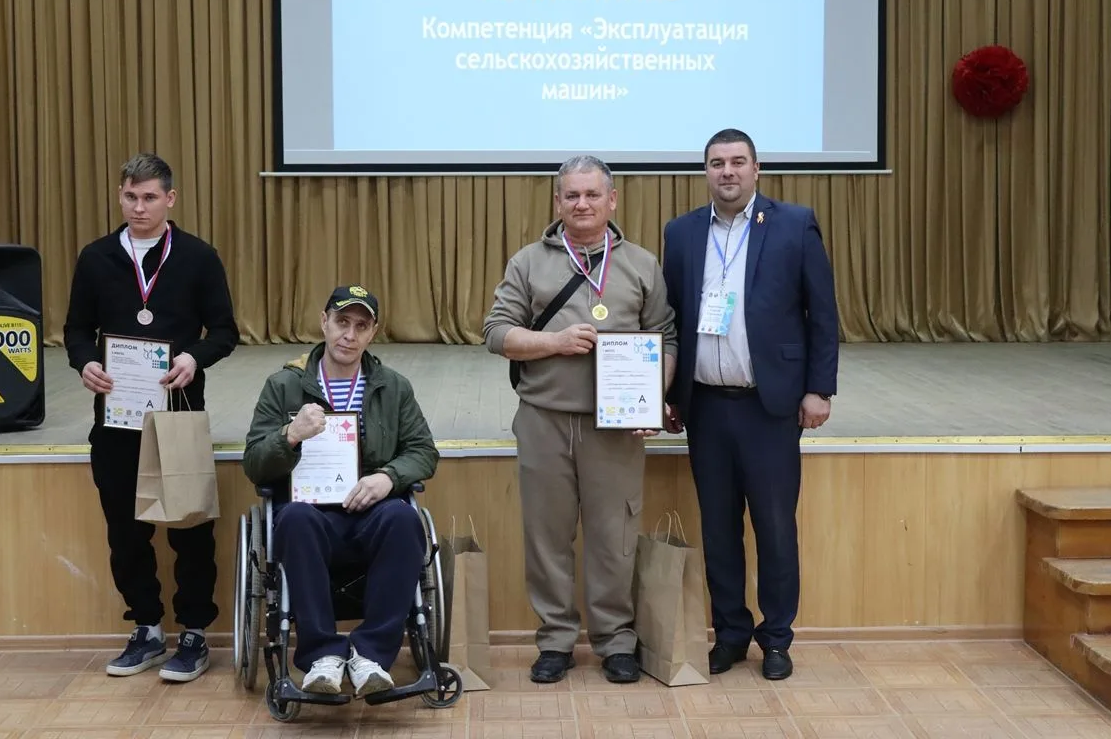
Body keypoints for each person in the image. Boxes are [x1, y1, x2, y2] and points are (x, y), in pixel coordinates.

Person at [483, 155, 677, 684]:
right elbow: (497, 333)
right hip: (544, 419)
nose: (582, 203)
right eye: (572, 195)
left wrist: (652, 397)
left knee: (614, 536)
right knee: (547, 537)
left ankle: (616, 640)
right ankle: (555, 640)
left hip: (615, 427)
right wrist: (555, 342)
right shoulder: (528, 262)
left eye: (593, 194)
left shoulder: (641, 264)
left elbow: (666, 337)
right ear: (558, 202)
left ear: (612, 200)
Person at [661, 129, 839, 680]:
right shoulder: (682, 232)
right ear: (705, 172)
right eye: (717, 163)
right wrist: (668, 394)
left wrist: (819, 389)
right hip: (706, 407)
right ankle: (731, 635)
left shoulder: (793, 224)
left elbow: (822, 313)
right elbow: (672, 319)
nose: (728, 172)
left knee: (775, 528)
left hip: (770, 406)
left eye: (738, 161)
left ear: (757, 169)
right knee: (719, 530)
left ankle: (777, 639)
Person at [63, 153, 239, 681]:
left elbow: (224, 332)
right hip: (116, 418)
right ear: (120, 196)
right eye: (129, 197)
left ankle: (194, 632)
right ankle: (146, 628)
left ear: (170, 199)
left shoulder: (198, 257)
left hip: (178, 414)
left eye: (149, 197)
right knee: (125, 531)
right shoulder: (96, 258)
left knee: (189, 529)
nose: (138, 207)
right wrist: (85, 362)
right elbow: (75, 330)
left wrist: (193, 359)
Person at [242, 285, 439, 697]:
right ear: (324, 322)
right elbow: (254, 464)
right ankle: (322, 658)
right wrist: (289, 435)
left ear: (373, 333)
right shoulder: (283, 385)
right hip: (312, 515)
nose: (349, 335)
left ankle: (371, 657)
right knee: (293, 518)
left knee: (404, 518)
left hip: (372, 511)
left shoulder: (393, 387)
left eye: (361, 326)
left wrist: (389, 476)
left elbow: (423, 451)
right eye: (342, 322)